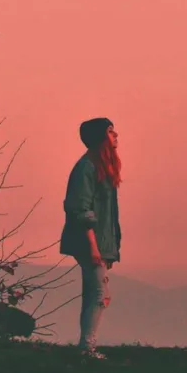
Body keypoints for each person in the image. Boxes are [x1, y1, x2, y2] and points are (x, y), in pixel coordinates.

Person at [59, 117, 123, 359]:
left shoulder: (99, 166)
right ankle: (87, 347)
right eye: (110, 131)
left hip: (97, 243)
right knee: (99, 294)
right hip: (88, 242)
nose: (116, 135)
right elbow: (79, 208)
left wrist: (108, 248)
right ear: (100, 137)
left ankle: (86, 345)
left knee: (95, 293)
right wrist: (94, 248)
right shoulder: (88, 167)